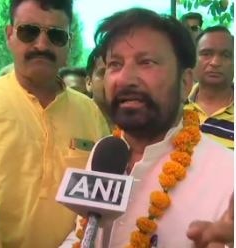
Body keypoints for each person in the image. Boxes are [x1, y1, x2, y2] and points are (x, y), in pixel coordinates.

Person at [61, 8, 233, 247]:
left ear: (185, 83)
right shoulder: (105, 152)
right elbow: (82, 233)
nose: (126, 78)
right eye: (115, 64)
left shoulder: (227, 176)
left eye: (146, 62)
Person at [0, 0, 109, 247]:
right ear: (10, 35)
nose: (42, 45)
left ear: (68, 43)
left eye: (56, 36)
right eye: (28, 32)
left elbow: (100, 206)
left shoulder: (90, 112)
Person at [184, 26, 234, 149]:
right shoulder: (174, 106)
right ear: (193, 60)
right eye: (206, 54)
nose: (215, 62)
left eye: (226, 55)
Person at [85, 46, 113, 130]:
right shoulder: (75, 117)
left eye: (115, 72)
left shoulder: (138, 122)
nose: (109, 80)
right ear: (89, 82)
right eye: (102, 73)